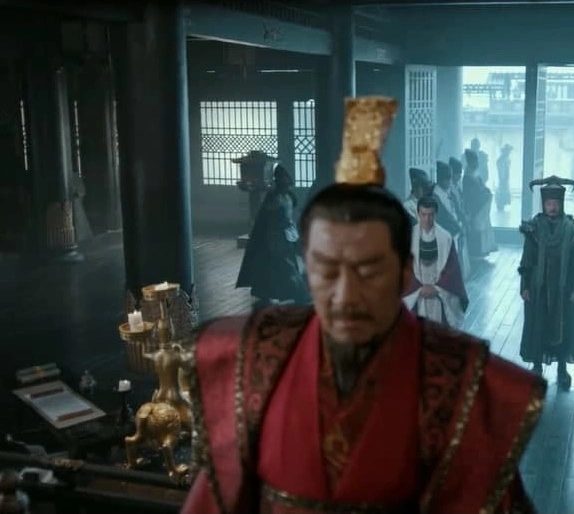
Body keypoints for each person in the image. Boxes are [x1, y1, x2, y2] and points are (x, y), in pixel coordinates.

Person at [183, 96, 545, 514]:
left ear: (405, 272)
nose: (344, 293)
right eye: (326, 268)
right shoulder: (256, 359)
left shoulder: (458, 380)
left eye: (368, 270)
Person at [518, 175, 574, 388]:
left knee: (563, 326)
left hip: (563, 288)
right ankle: (537, 366)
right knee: (538, 325)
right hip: (539, 286)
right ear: (544, 204)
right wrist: (525, 285)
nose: (553, 207)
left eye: (556, 203)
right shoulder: (534, 228)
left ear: (561, 203)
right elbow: (527, 259)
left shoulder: (572, 230)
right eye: (549, 203)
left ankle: (562, 369)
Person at [235, 164, 309, 306]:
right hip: (275, 237)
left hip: (287, 235)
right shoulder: (274, 198)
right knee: (285, 267)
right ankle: (298, 294)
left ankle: (295, 293)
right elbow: (268, 221)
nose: (286, 183)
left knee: (287, 266)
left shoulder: (288, 196)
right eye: (283, 181)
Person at [403, 195, 468, 327]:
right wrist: (418, 288)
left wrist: (437, 288)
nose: (427, 219)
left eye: (431, 215)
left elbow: (452, 269)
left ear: (436, 214)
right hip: (416, 295)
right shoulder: (408, 237)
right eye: (423, 214)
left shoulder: (446, 238)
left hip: (440, 294)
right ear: (418, 214)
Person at [463, 149, 497, 259]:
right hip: (475, 206)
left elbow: (481, 186)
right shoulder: (467, 176)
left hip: (482, 204)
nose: (476, 163)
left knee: (484, 226)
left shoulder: (476, 173)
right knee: (477, 227)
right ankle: (477, 251)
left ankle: (484, 249)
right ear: (470, 162)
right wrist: (482, 192)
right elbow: (470, 194)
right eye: (474, 161)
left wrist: (485, 191)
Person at [495, 144, 513, 212]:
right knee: (502, 190)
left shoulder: (505, 159)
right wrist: (503, 178)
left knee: (503, 189)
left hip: (504, 177)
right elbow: (501, 170)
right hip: (503, 178)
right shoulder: (502, 159)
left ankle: (501, 203)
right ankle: (500, 204)